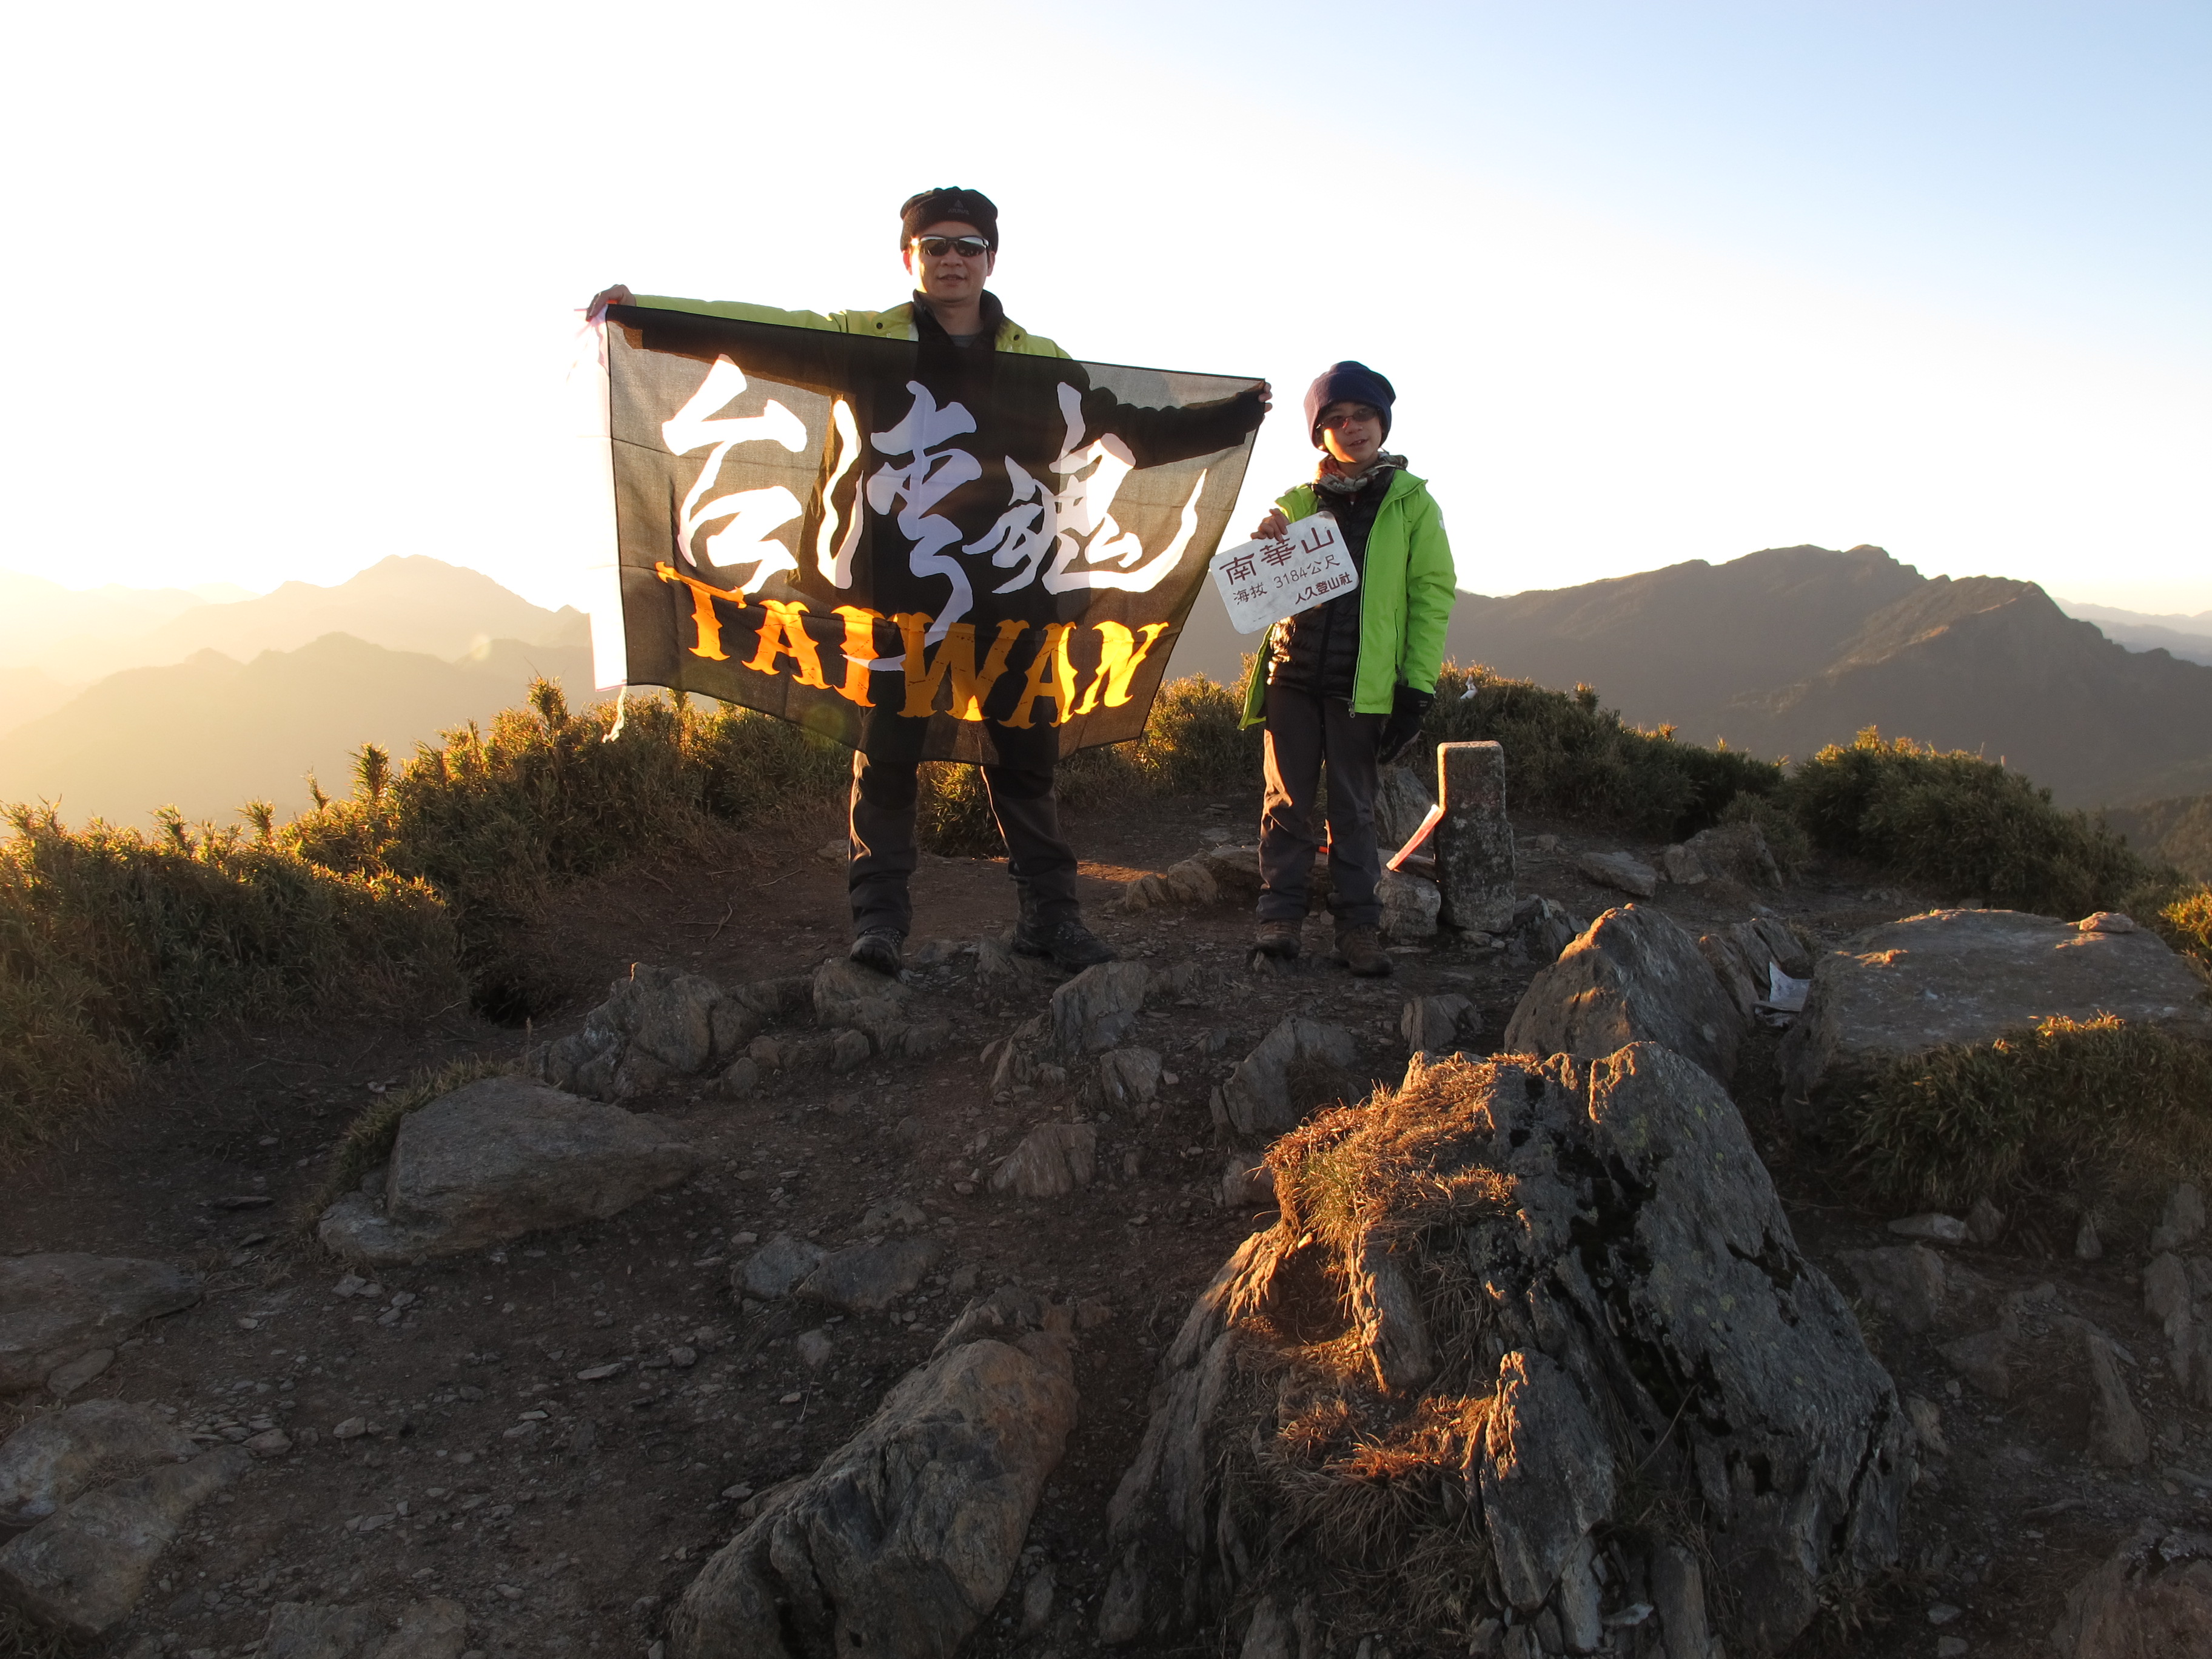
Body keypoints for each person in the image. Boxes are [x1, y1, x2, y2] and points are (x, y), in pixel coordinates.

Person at [590, 187, 1268, 977]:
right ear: (910, 257)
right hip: (891, 597)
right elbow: (756, 336)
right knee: (886, 754)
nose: (952, 259)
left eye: (968, 246)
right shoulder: (867, 342)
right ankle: (879, 923)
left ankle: (1051, 919)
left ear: (991, 259)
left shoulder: (1037, 361)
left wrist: (1231, 418)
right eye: (936, 245)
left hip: (1016, 595)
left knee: (1025, 759)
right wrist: (647, 317)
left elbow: (1127, 431)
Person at [1238, 361, 1456, 976]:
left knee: (1355, 809)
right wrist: (1265, 541)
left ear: (1381, 422)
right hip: (1293, 678)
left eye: (1362, 415)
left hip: (1364, 687)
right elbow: (1262, 586)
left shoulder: (1414, 505)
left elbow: (1432, 596)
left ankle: (1359, 928)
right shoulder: (1297, 501)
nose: (1352, 428)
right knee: (1285, 803)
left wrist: (1416, 688)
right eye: (1335, 420)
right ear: (1320, 435)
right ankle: (1279, 920)